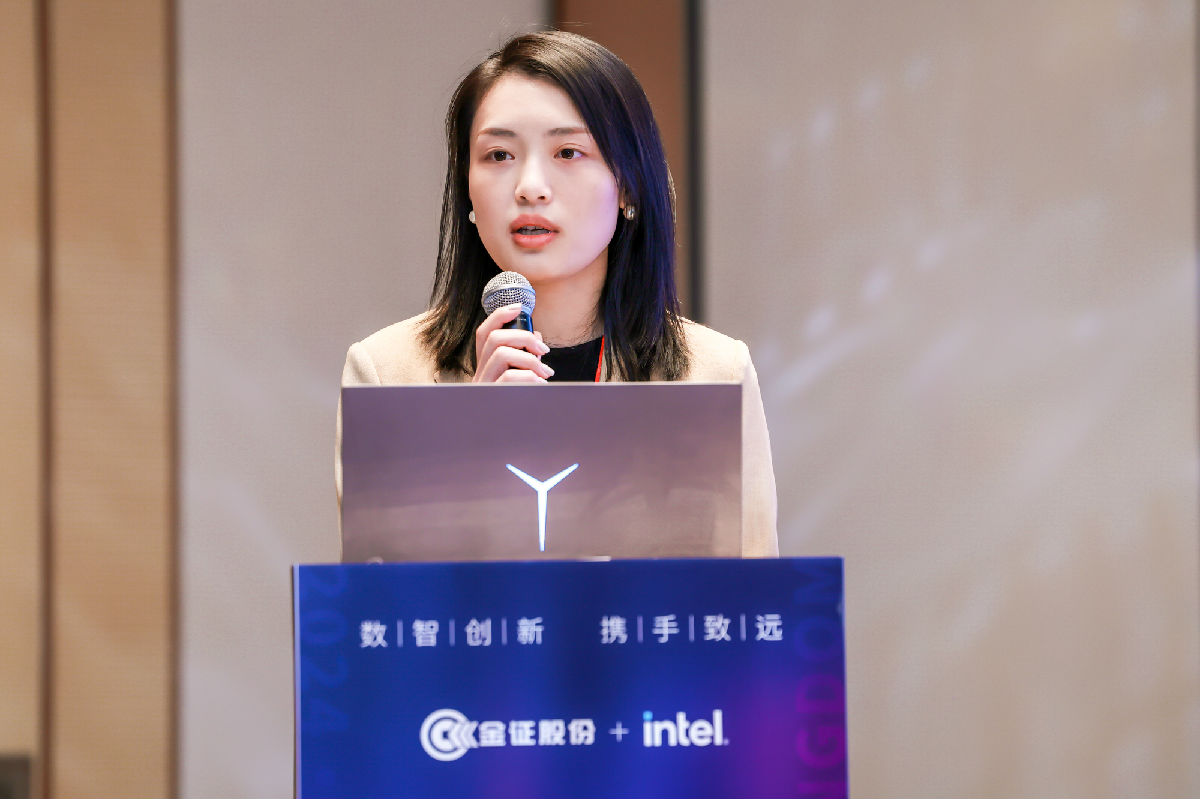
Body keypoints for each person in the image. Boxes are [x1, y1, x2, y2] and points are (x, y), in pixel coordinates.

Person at [336, 30, 778, 556]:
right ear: (467, 190)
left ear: (628, 186)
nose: (530, 186)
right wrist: (466, 445)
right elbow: (375, 601)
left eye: (568, 152)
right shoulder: (386, 375)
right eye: (499, 154)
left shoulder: (714, 374)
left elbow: (753, 596)